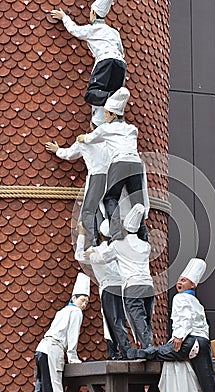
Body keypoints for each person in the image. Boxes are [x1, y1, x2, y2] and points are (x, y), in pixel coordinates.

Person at [127, 258, 215, 392]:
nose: (179, 283)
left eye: (184, 280)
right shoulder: (198, 303)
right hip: (202, 343)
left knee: (163, 352)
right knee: (208, 383)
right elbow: (205, 326)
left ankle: (143, 352)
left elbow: (184, 319)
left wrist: (179, 336)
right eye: (180, 279)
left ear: (192, 285)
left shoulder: (180, 298)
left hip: (189, 341)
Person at [77, 87, 149, 242]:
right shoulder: (132, 129)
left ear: (113, 114)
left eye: (106, 114)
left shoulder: (105, 129)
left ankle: (116, 234)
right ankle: (142, 233)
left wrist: (82, 138)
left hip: (119, 163)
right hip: (136, 164)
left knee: (110, 198)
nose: (105, 116)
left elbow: (90, 138)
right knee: (136, 199)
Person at [85, 204, 154, 349]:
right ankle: (148, 343)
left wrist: (91, 254)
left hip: (132, 285)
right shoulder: (145, 246)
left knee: (137, 316)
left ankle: (148, 347)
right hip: (148, 285)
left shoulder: (118, 244)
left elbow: (102, 259)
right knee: (147, 318)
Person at [45, 109, 110, 250]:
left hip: (97, 177)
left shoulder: (85, 141)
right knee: (107, 210)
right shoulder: (111, 139)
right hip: (113, 177)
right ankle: (109, 240)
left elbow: (69, 154)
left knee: (88, 211)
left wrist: (57, 150)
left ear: (92, 126)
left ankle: (94, 243)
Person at [34, 273, 90, 392]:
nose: (84, 304)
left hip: (42, 347)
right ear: (74, 298)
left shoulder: (62, 311)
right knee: (54, 385)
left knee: (43, 381)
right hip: (53, 348)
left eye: (86, 301)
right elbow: (72, 336)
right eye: (82, 300)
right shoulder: (75, 313)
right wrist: (72, 357)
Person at [50, 0, 126, 108]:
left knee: (92, 93)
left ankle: (113, 97)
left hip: (105, 60)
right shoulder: (114, 32)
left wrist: (64, 17)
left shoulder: (92, 29)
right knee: (110, 98)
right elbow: (121, 51)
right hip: (120, 64)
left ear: (94, 13)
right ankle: (114, 106)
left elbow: (74, 30)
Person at [75, 220, 131, 359]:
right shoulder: (119, 249)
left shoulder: (96, 251)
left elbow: (78, 255)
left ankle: (119, 351)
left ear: (100, 235)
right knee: (119, 319)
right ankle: (120, 350)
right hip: (122, 287)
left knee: (111, 320)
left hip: (108, 288)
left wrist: (81, 234)